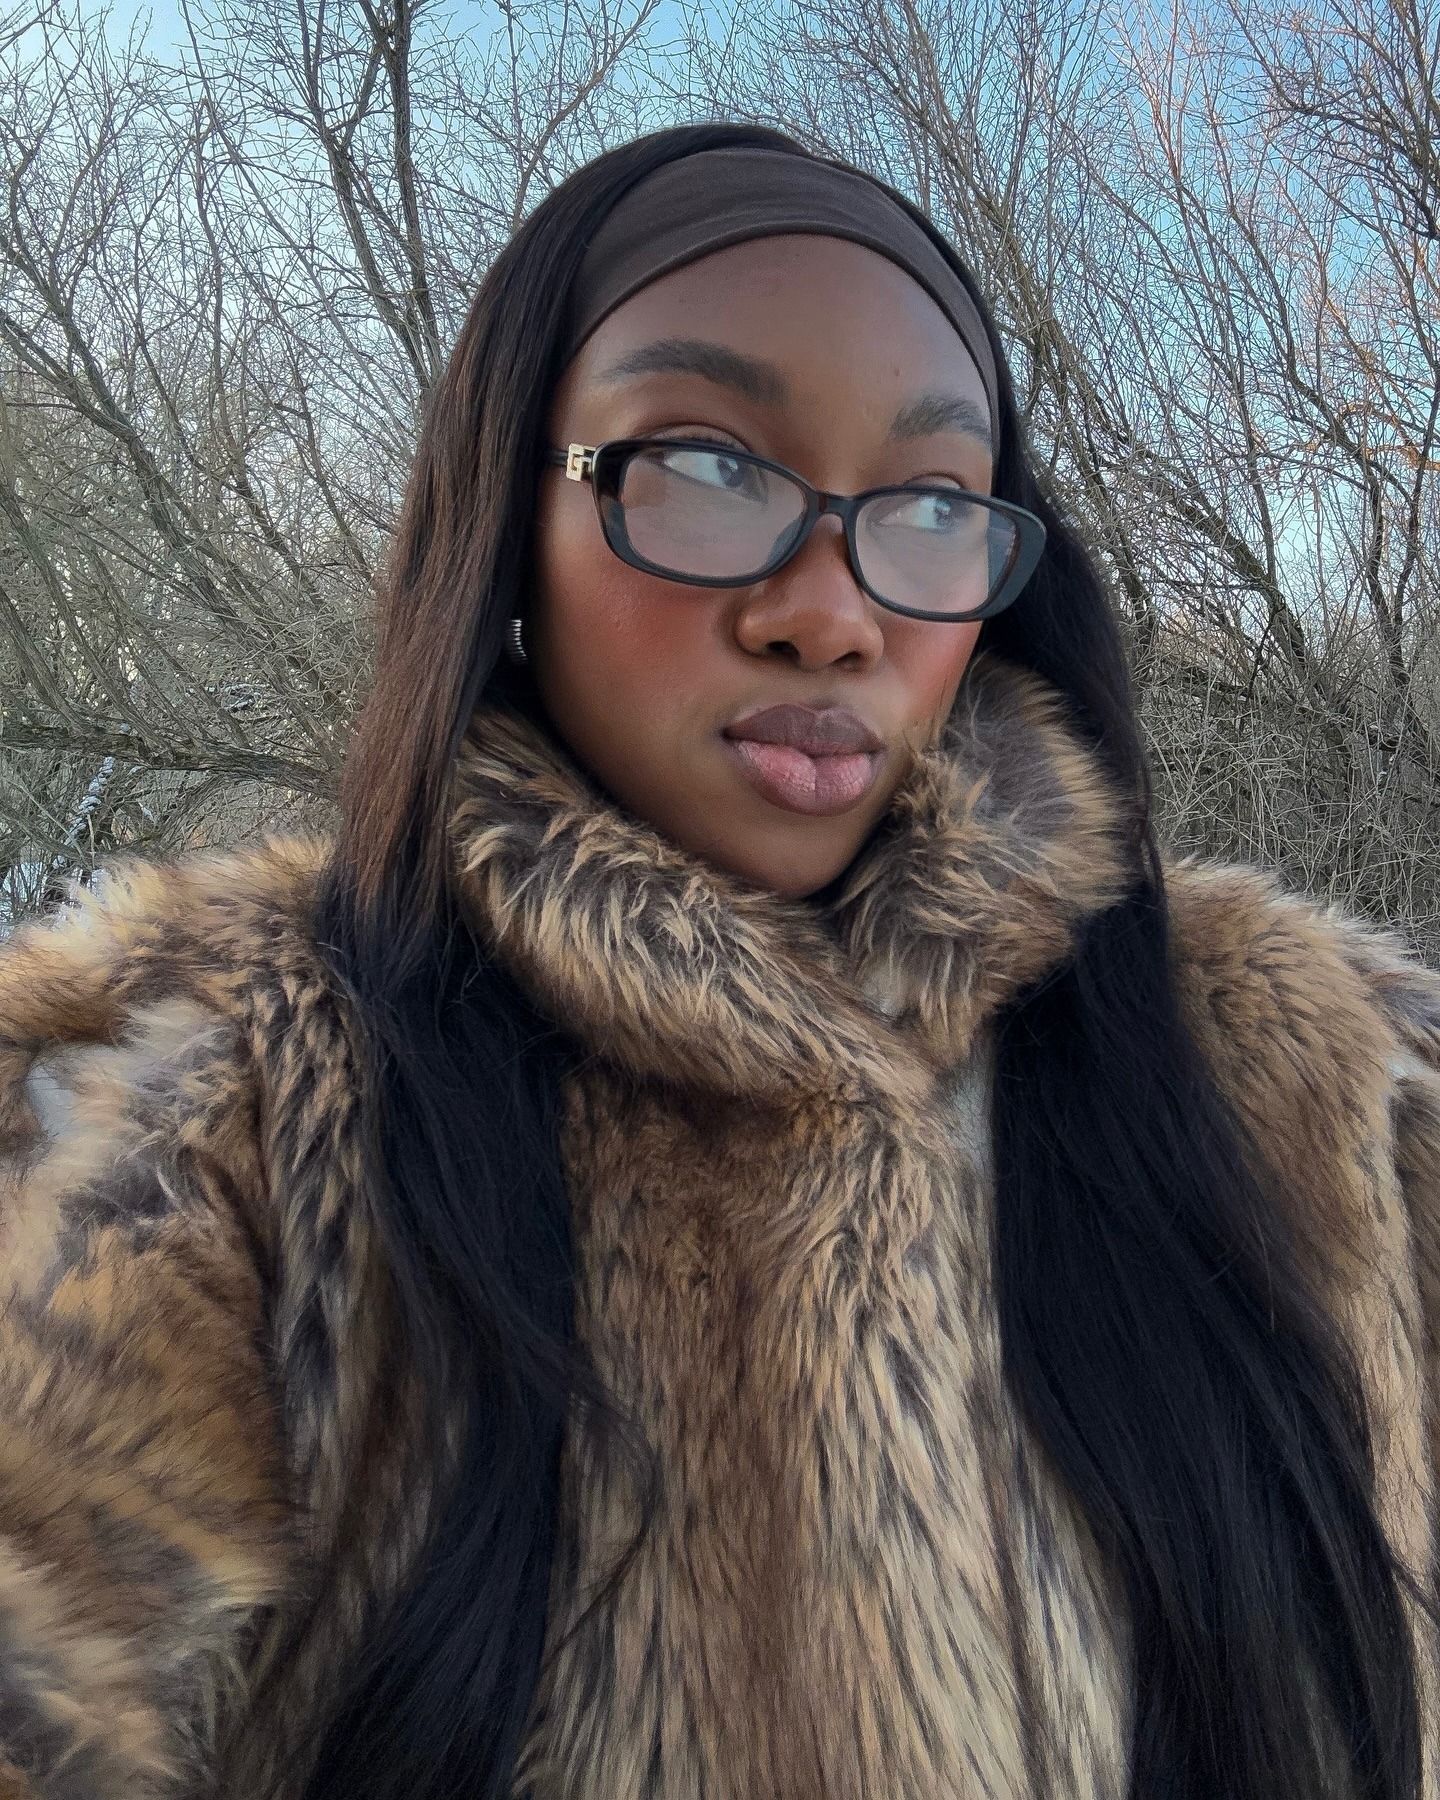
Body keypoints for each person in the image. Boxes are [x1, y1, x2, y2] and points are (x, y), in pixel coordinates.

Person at [0, 121, 1434, 1800]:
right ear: (507, 513)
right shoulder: (208, 1101)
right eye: (705, 465)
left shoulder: (1319, 1079)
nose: (831, 612)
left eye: (931, 501)